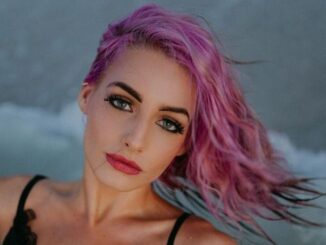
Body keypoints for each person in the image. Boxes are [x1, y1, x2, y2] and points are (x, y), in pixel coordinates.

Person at [0, 4, 323, 245]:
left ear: (183, 141)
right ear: (87, 96)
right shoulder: (9, 202)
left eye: (168, 123)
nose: (136, 139)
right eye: (122, 103)